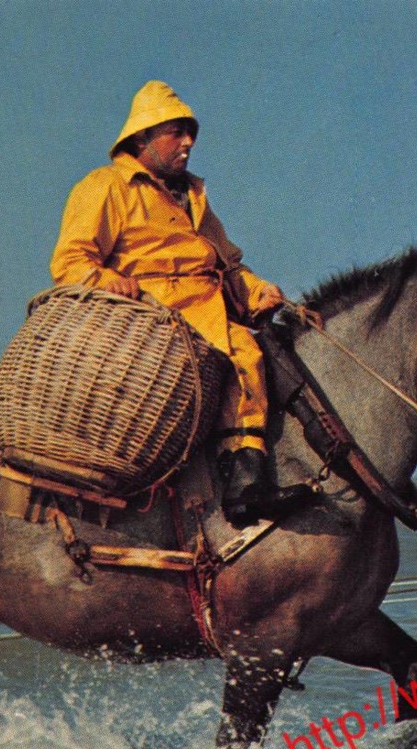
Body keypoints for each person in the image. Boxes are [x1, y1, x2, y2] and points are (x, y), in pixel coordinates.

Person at [51, 80, 309, 525]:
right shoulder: (107, 186)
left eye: (191, 132)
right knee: (241, 354)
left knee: (276, 352)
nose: (188, 142)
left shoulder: (193, 198)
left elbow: (228, 267)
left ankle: (249, 472)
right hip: (154, 313)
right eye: (176, 132)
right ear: (142, 138)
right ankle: (243, 488)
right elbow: (70, 260)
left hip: (208, 307)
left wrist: (258, 291)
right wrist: (108, 281)